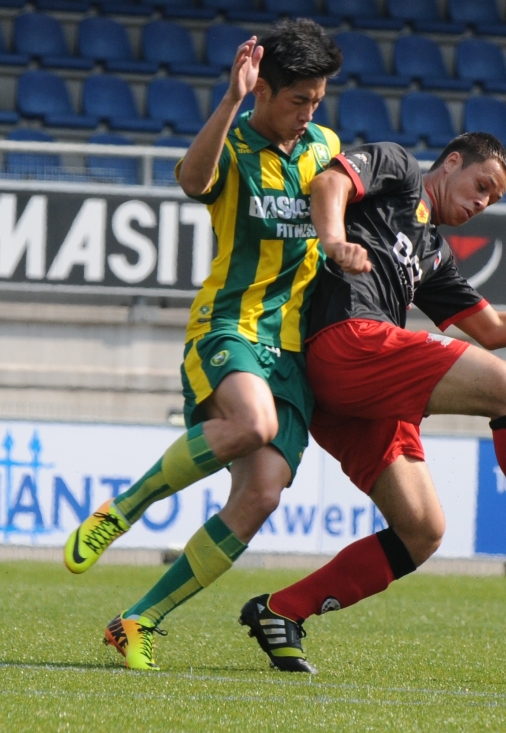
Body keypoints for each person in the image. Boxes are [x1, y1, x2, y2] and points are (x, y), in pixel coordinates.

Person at [238, 133, 506, 674]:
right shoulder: (400, 168)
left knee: (423, 530)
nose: (482, 203)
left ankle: (281, 611)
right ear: (452, 162)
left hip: (352, 398)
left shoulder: (432, 255)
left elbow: (492, 329)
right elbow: (330, 181)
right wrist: (335, 242)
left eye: (493, 200)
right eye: (481, 186)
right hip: (348, 339)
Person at [63, 19, 345, 671]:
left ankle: (138, 620)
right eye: (297, 100)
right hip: (229, 325)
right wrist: (230, 101)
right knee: (252, 422)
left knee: (263, 493)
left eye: (317, 101)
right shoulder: (237, 142)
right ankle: (122, 508)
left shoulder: (325, 147)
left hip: (294, 351)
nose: (308, 113)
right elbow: (192, 181)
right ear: (265, 92)